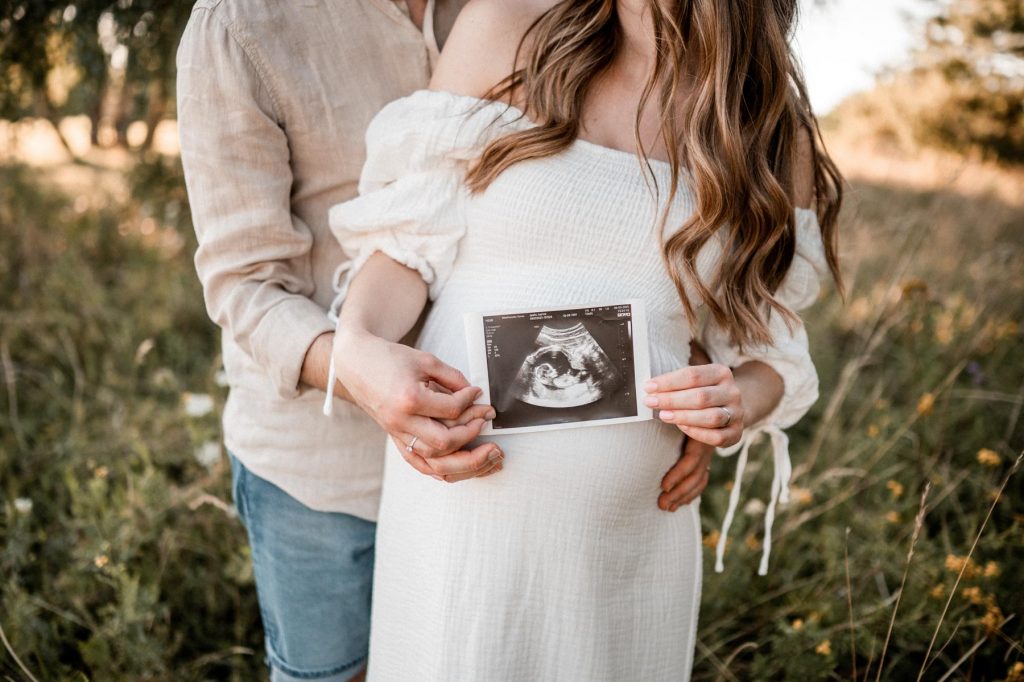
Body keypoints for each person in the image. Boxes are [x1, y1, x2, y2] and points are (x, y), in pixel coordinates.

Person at [328, 0, 843, 678]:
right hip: (460, 520)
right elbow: (407, 243)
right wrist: (360, 342)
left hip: (625, 547)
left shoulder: (769, 133)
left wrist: (735, 400)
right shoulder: (508, 27)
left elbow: (769, 350)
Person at [175, 2, 497, 680]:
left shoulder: (532, 12)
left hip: (494, 463)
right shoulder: (241, 24)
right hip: (322, 483)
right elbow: (245, 285)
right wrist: (357, 367)